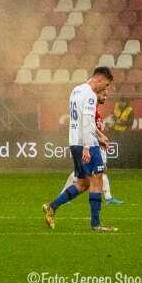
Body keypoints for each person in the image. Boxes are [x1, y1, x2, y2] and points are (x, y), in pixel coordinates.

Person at [43, 66, 116, 232]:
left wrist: (97, 138)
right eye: (105, 85)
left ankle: (52, 207)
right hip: (86, 144)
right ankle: (96, 224)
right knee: (97, 178)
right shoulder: (90, 94)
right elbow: (87, 122)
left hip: (74, 141)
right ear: (100, 79)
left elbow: (81, 119)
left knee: (83, 183)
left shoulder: (76, 90)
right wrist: (88, 146)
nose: (104, 89)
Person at [60, 88, 123, 205]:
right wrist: (99, 137)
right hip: (91, 142)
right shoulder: (90, 108)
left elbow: (93, 126)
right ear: (97, 94)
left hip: (95, 141)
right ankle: (63, 196)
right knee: (89, 174)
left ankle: (108, 197)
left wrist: (100, 136)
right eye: (104, 94)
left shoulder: (95, 109)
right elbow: (88, 126)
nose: (105, 97)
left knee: (98, 171)